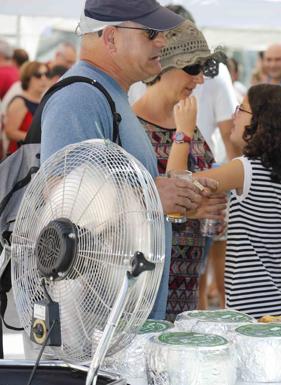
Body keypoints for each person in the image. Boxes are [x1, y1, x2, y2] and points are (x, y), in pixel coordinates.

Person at [39, 0, 222, 320]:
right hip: (96, 327)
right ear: (110, 37)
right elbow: (62, 210)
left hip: (119, 322)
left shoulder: (110, 95)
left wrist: (165, 193)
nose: (162, 43)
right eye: (151, 34)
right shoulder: (81, 98)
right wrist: (152, 196)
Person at [196, 84, 281, 318]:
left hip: (247, 312)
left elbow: (182, 184)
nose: (234, 115)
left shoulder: (245, 168)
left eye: (241, 109)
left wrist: (183, 132)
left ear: (262, 124)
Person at [132, 20, 222, 321]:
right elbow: (132, 206)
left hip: (188, 285)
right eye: (193, 68)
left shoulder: (188, 125)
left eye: (203, 69)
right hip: (146, 285)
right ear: (164, 67)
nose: (199, 80)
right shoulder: (132, 128)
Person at [4, 61, 50, 155]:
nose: (44, 78)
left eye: (46, 74)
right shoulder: (20, 102)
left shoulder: (45, 101)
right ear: (28, 78)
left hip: (34, 155)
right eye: (38, 75)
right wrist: (38, 139)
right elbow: (10, 132)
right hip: (19, 157)